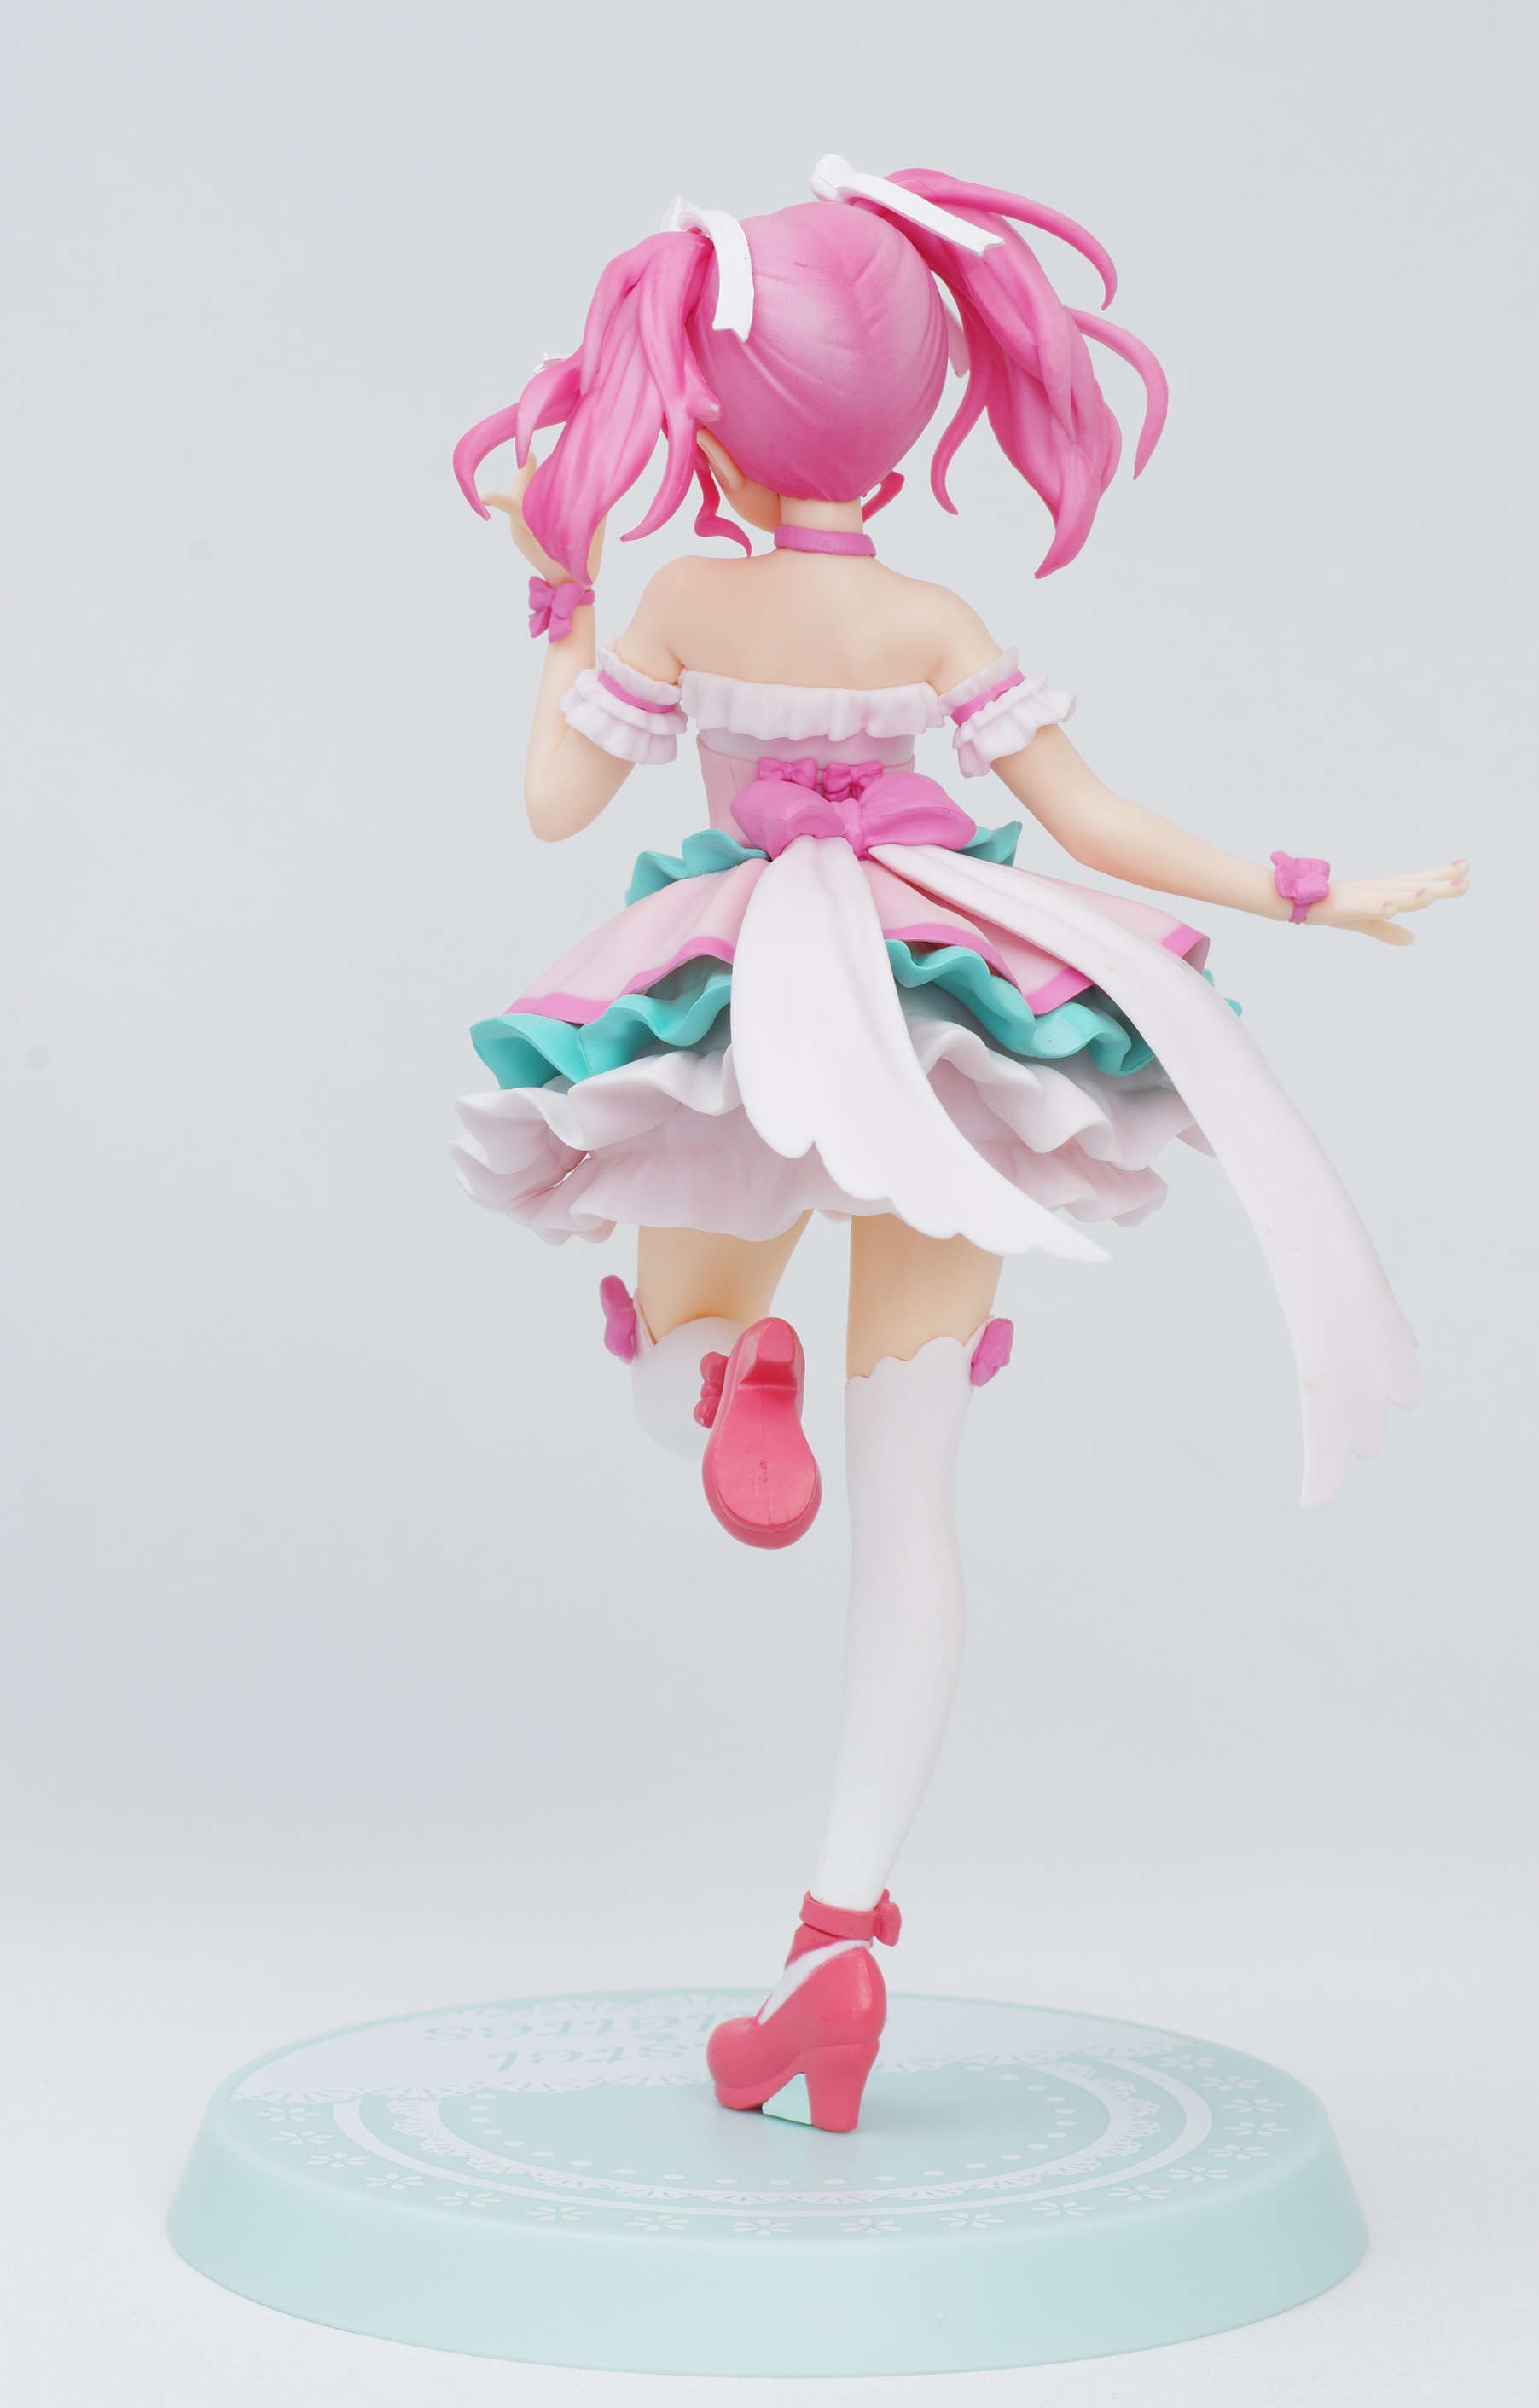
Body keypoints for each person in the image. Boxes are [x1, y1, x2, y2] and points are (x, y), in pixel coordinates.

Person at [451, 156, 1466, 2132]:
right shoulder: (931, 614)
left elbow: (559, 802)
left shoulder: (686, 595)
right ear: (916, 411)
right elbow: (1097, 827)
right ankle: (837, 1940)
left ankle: (729, 1373)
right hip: (942, 1020)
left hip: (743, 1000)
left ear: (708, 424)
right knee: (911, 1501)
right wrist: (1302, 887)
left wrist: (558, 601)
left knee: (671, 1352)